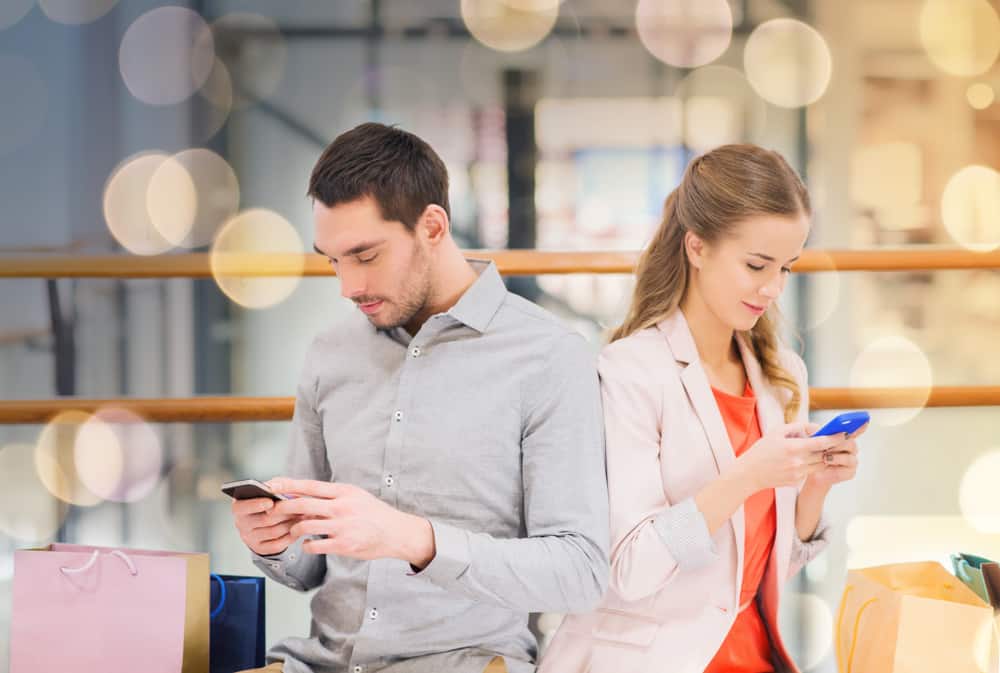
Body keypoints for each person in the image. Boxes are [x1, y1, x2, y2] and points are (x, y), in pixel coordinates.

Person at [229, 122, 610, 673]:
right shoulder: (330, 353)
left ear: (432, 226)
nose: (347, 286)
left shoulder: (548, 356)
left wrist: (413, 539)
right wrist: (270, 541)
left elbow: (580, 572)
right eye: (333, 260)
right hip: (319, 662)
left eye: (365, 255)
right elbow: (305, 566)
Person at [540, 144, 864, 673]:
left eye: (787, 267)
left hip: (754, 656)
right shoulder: (630, 373)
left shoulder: (781, 377)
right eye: (756, 264)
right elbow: (631, 568)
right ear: (697, 247)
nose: (773, 287)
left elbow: (765, 567)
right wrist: (744, 477)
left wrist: (816, 483)